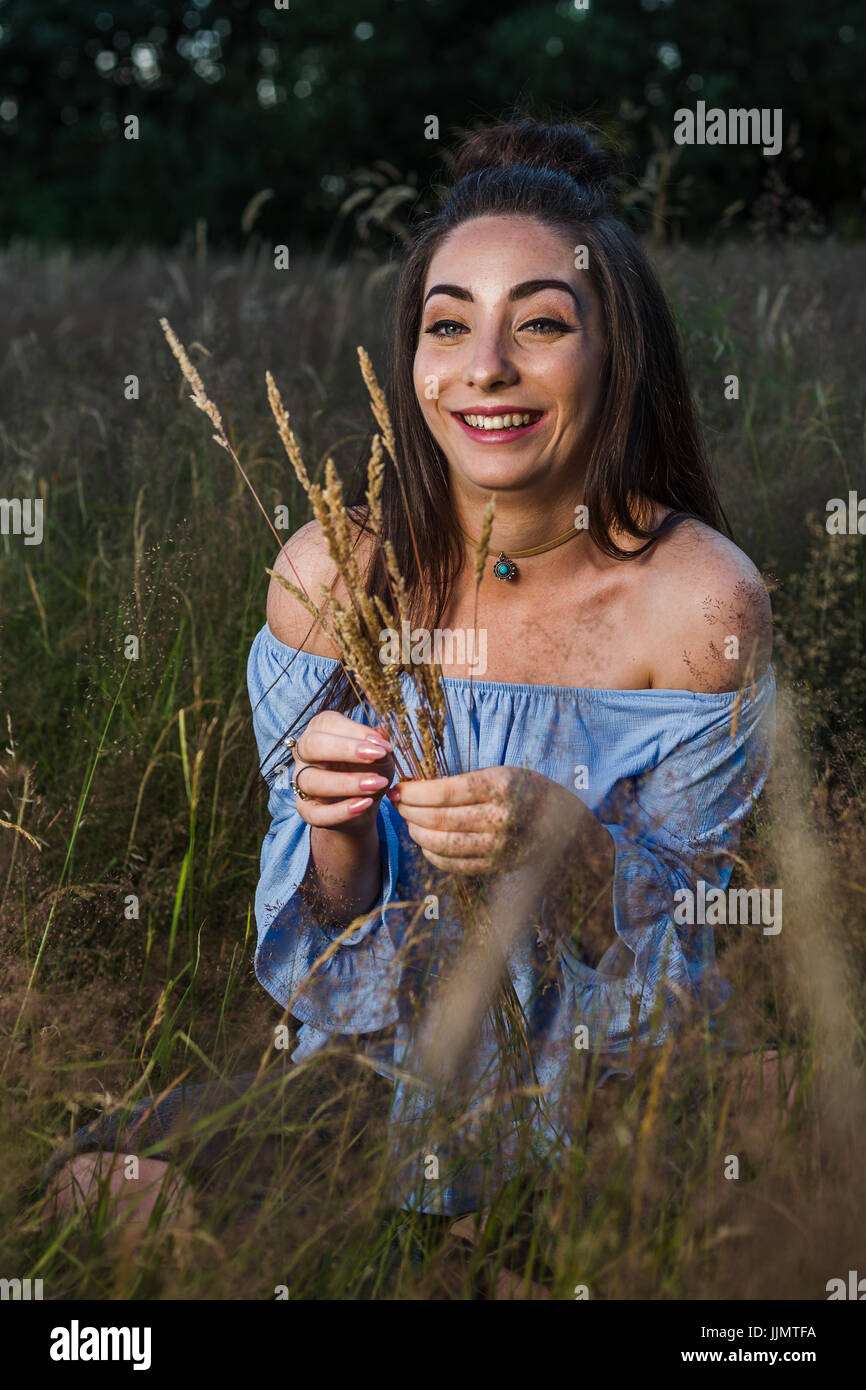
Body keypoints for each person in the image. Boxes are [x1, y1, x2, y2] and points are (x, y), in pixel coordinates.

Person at [44, 116, 776, 1253]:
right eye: (448, 326)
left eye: (539, 322)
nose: (484, 367)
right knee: (103, 1185)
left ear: (614, 352)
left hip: (598, 1090)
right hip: (377, 1073)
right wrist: (334, 828)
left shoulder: (694, 604)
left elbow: (678, 962)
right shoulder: (334, 574)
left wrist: (567, 844)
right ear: (413, 360)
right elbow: (332, 945)